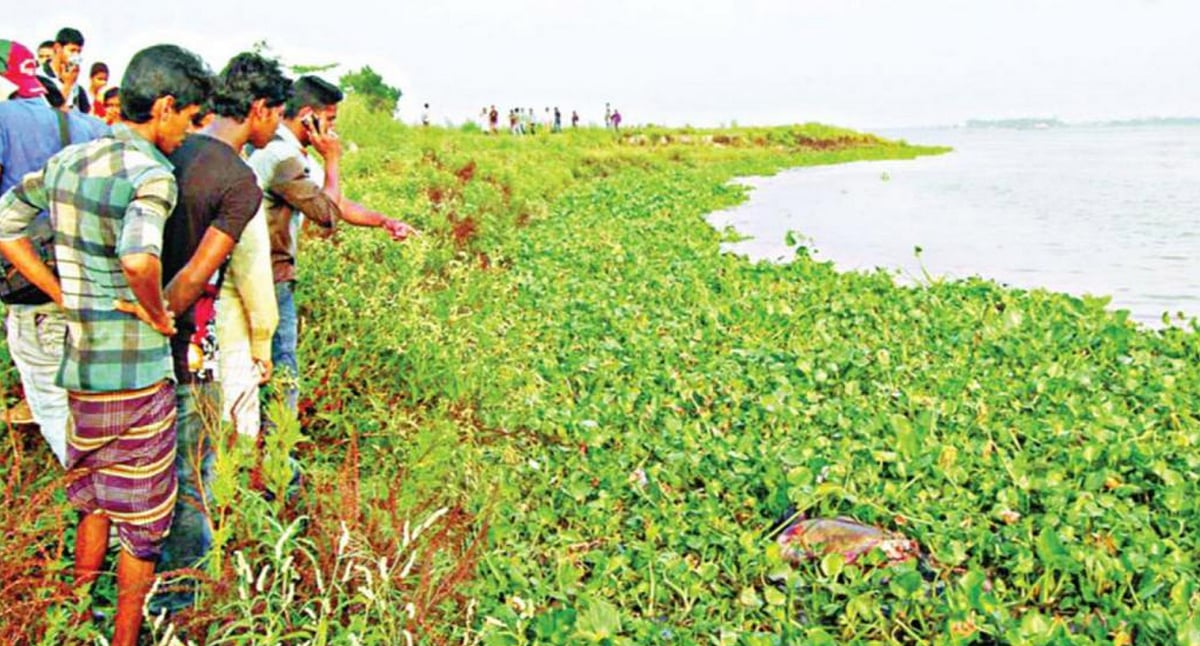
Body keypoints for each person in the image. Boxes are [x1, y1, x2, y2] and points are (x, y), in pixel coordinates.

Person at [0, 43, 212, 646]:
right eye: (188, 117)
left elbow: (6, 225)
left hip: (82, 366)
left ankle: (72, 615)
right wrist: (158, 313)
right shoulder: (151, 175)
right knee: (143, 525)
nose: (189, 132)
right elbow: (140, 257)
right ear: (164, 107)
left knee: (92, 497)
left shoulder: (71, 159)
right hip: (137, 374)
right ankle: (123, 638)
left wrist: (62, 292)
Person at [145, 51, 288, 614]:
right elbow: (209, 274)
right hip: (188, 343)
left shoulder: (169, 149)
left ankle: (124, 589)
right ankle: (179, 601)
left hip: (129, 338)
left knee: (139, 473)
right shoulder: (237, 180)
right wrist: (162, 321)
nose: (277, 127)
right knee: (192, 476)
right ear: (260, 109)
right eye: (278, 115)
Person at [247, 75, 414, 424]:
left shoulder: (289, 152)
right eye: (330, 119)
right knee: (283, 371)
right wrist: (334, 160)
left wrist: (384, 221)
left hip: (265, 275)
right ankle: (279, 448)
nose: (333, 130)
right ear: (308, 115)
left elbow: (335, 201)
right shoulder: (281, 156)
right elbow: (327, 214)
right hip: (268, 278)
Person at [0, 39, 108, 464]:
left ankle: (93, 494)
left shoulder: (2, 120)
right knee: (95, 406)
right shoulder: (88, 126)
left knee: (53, 404)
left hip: (34, 291)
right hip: (93, 285)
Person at [37, 27, 89, 113]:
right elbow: (49, 114)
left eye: (79, 52)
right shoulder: (40, 78)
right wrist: (67, 85)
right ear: (58, 48)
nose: (76, 56)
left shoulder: (75, 84)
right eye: (72, 50)